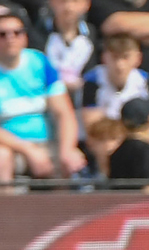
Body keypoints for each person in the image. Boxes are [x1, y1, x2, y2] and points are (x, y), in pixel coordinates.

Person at [0, 11, 85, 182]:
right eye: (2, 34)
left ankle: (63, 208)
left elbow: (64, 113)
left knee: (70, 158)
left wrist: (66, 149)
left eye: (17, 32)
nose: (11, 38)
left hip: (48, 142)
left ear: (25, 36)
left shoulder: (40, 62)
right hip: (11, 146)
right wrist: (28, 150)